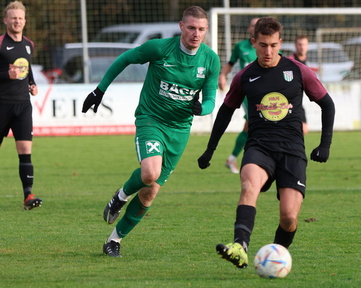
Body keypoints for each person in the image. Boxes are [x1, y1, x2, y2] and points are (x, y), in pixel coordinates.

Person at [82, 6, 219, 258]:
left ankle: (114, 240)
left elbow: (211, 100)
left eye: (200, 29)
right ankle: (121, 196)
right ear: (181, 26)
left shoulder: (210, 59)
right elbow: (125, 59)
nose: (195, 34)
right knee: (150, 173)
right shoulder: (159, 48)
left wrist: (202, 108)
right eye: (191, 28)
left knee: (150, 192)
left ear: (206, 30)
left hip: (179, 131)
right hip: (151, 120)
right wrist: (99, 90)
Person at [197, 17, 335, 268]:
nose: (268, 51)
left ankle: (276, 257)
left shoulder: (297, 70)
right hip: (259, 147)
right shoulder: (245, 76)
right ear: (254, 43)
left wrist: (325, 144)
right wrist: (210, 149)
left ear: (280, 42)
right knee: (248, 184)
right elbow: (226, 111)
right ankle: (240, 246)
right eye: (262, 45)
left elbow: (327, 103)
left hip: (292, 151)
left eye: (273, 45)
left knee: (289, 217)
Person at [0, 1, 42, 210]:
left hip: (23, 106)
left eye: (20, 18)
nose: (17, 21)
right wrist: (5, 74)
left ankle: (28, 196)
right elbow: (8, 72)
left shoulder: (28, 44)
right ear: (5, 20)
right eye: (13, 18)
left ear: (24, 21)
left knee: (25, 150)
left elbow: (27, 68)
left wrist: (32, 84)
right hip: (1, 104)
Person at [218, 18, 259, 174]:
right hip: (247, 92)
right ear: (249, 28)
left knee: (250, 127)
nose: (255, 28)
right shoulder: (241, 46)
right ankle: (239, 159)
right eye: (253, 25)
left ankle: (234, 159)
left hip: (263, 92)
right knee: (253, 123)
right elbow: (230, 62)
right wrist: (222, 76)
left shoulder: (264, 47)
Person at [288, 34, 310, 134]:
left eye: (304, 44)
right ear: (295, 46)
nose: (302, 47)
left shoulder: (306, 62)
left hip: (298, 102)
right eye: (300, 44)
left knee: (303, 129)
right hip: (288, 101)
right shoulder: (290, 62)